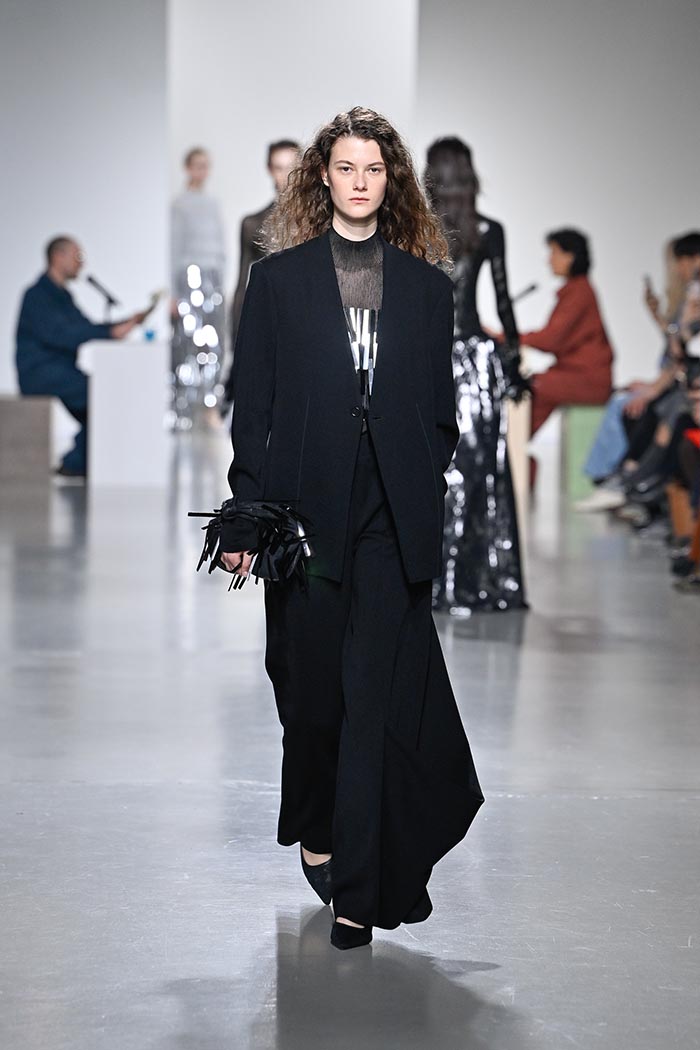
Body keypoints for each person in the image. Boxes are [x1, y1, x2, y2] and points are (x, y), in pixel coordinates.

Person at [219, 107, 483, 949]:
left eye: (374, 169)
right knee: (312, 696)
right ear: (323, 177)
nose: (360, 181)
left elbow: (440, 410)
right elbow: (253, 407)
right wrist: (245, 516)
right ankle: (315, 821)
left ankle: (357, 896)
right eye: (346, 168)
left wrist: (420, 478)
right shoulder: (280, 281)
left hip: (388, 515)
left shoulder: (425, 289)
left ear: (390, 179)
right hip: (304, 514)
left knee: (372, 698)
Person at [424, 137, 527, 614]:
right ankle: (473, 577)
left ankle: (428, 577)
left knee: (431, 468)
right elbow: (503, 303)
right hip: (475, 364)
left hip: (427, 359)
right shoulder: (488, 231)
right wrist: (514, 366)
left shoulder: (417, 230)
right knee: (476, 470)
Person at [16, 237, 148, 477]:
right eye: (77, 256)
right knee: (102, 397)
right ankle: (74, 463)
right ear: (58, 256)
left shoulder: (62, 296)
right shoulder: (37, 296)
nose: (81, 263)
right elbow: (63, 334)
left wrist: (122, 325)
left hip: (61, 370)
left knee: (103, 401)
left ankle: (79, 463)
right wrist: (110, 332)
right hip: (41, 371)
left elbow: (84, 326)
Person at [517, 229, 614, 483]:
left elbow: (551, 339)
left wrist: (508, 337)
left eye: (554, 252)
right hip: (578, 374)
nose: (549, 259)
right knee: (533, 385)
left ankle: (514, 453)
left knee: (534, 386)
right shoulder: (577, 290)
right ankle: (515, 453)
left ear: (570, 256)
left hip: (587, 378)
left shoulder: (579, 292)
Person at [221, 139, 300, 410]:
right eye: (279, 167)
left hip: (306, 327)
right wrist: (237, 344)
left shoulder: (318, 223)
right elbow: (241, 286)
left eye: (291, 167)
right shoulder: (253, 224)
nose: (285, 176)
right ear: (269, 170)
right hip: (268, 325)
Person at [170, 147, 227, 427]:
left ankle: (209, 407)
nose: (202, 171)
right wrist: (173, 293)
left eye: (206, 165)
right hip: (189, 276)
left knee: (214, 342)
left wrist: (222, 281)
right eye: (197, 165)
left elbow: (221, 246)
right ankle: (184, 410)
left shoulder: (213, 203)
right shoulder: (180, 205)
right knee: (187, 341)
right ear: (188, 168)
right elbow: (174, 246)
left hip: (213, 277)